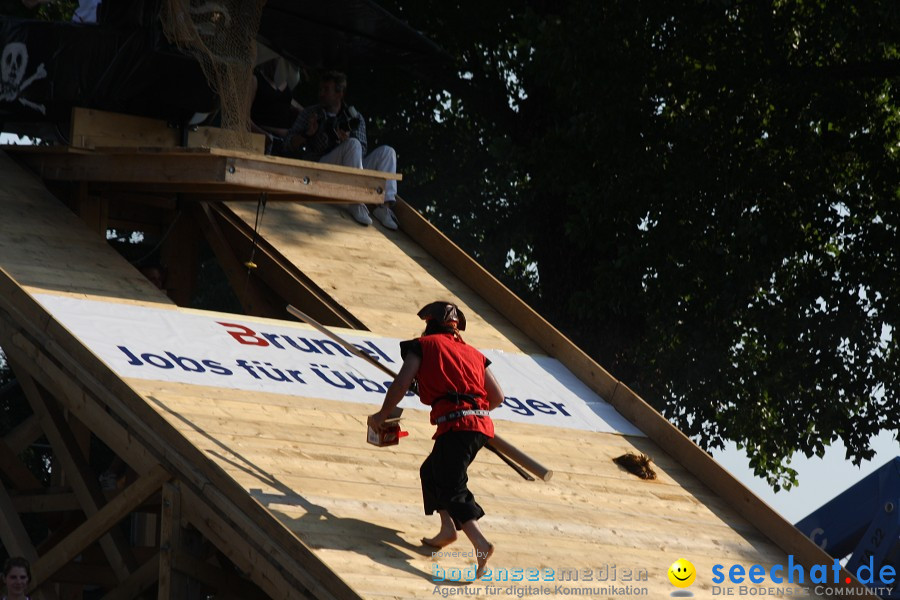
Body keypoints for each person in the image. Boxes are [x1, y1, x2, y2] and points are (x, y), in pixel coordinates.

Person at [367, 301, 504, 579]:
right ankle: (447, 529)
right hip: (478, 425)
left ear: (429, 324)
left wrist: (381, 415)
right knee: (431, 472)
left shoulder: (423, 346)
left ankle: (480, 542)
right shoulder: (474, 354)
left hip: (457, 425)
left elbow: (401, 384)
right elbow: (497, 397)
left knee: (452, 483)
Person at [282, 71, 399, 230]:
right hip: (319, 170)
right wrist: (307, 134)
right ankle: (355, 201)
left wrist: (344, 140)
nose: (321, 94)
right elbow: (287, 144)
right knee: (353, 145)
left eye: (326, 90)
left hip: (350, 167)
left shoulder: (353, 117)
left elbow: (361, 150)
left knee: (387, 152)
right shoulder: (310, 113)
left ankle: (384, 207)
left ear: (339, 93)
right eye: (321, 89)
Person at [249, 58, 304, 153]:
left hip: (286, 141)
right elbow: (244, 116)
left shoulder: (285, 84)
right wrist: (264, 135)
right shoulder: (256, 80)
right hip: (264, 138)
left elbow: (291, 104)